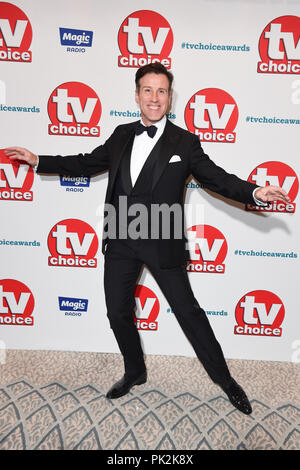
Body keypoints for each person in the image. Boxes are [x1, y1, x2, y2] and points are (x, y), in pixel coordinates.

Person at [5, 63, 289, 415]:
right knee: (117, 311)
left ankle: (226, 381)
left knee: (189, 313)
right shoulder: (122, 134)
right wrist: (38, 160)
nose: (154, 98)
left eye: (161, 91)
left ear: (170, 97)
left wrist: (256, 190)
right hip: (122, 237)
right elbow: (85, 163)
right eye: (147, 90)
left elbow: (217, 178)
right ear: (136, 95)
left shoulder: (185, 142)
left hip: (162, 238)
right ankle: (135, 371)